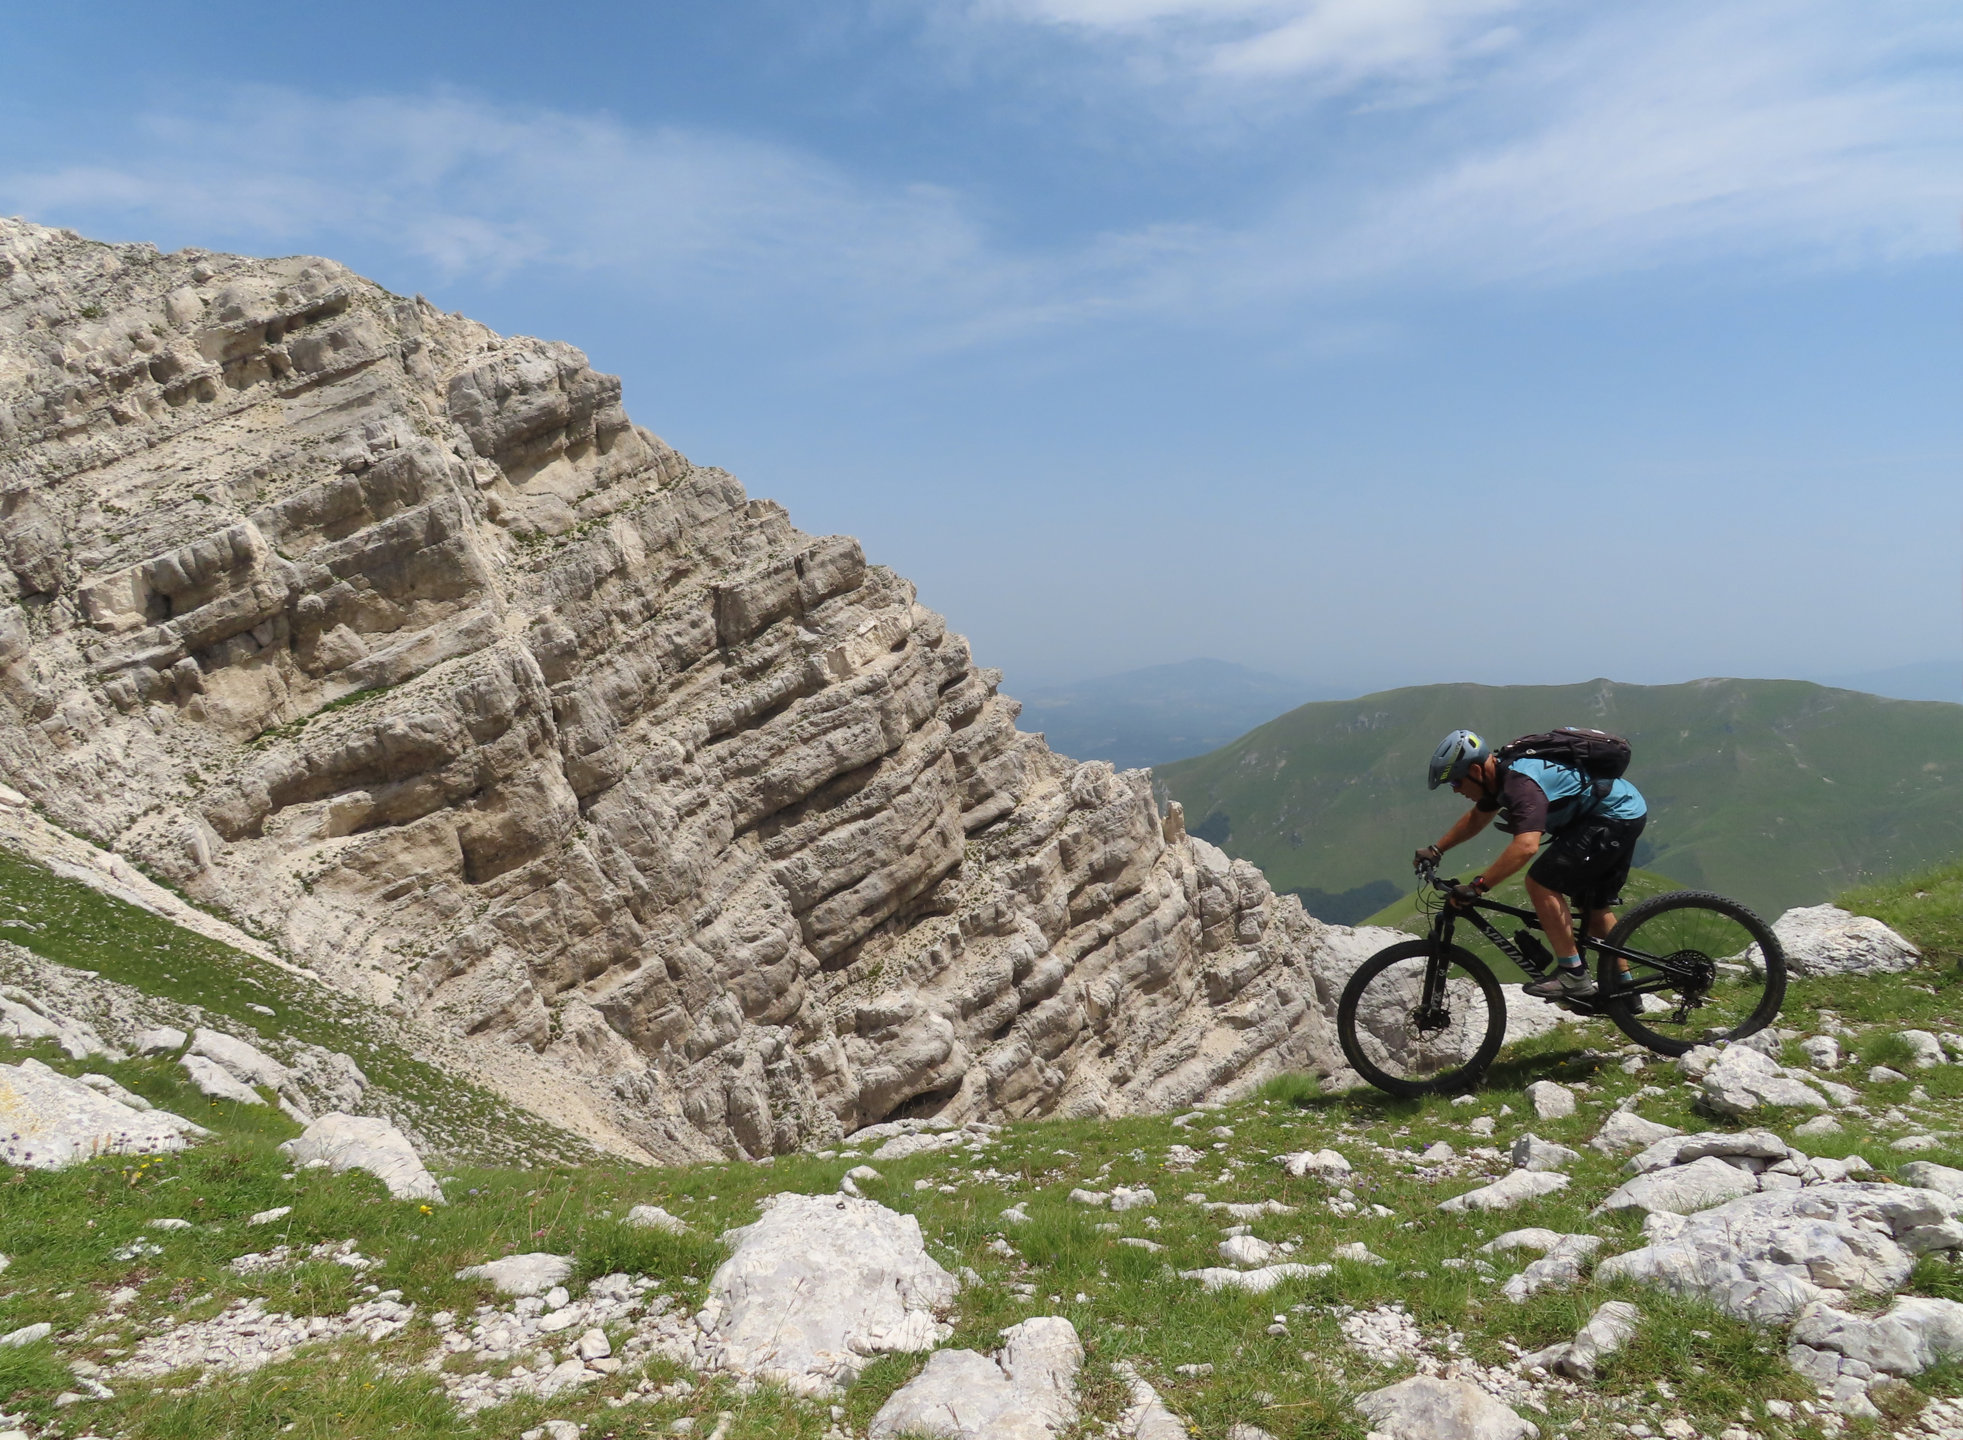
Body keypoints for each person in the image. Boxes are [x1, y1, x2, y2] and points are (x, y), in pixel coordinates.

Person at [1415, 729, 1648, 1000]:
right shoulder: (1500, 775)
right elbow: (1478, 817)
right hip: (1620, 810)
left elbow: (1526, 846)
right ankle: (1626, 991)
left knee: (1540, 882)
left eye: (1455, 782)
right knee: (1591, 906)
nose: (1456, 790)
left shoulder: (1519, 783)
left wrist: (1478, 887)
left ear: (1476, 771)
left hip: (1612, 817)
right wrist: (1436, 849)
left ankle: (1573, 974)